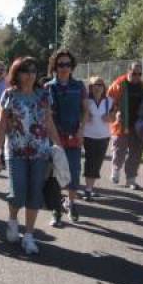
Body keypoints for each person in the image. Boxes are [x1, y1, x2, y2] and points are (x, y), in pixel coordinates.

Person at [0, 57, 62, 254]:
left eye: (33, 71)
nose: (30, 75)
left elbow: (48, 122)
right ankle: (13, 221)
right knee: (17, 192)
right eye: (25, 71)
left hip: (40, 152)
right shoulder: (9, 95)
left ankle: (29, 236)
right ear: (17, 73)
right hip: (15, 152)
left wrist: (59, 146)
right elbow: (1, 125)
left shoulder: (44, 95)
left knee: (35, 194)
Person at [46, 49, 88, 225]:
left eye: (67, 64)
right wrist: (54, 138)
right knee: (55, 174)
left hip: (74, 137)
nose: (64, 68)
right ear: (55, 67)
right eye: (60, 64)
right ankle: (56, 209)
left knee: (73, 172)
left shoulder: (79, 86)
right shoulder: (49, 87)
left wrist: (81, 131)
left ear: (72, 67)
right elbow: (46, 115)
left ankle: (71, 203)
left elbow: (85, 110)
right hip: (55, 138)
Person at [107, 62, 143, 190]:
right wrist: (115, 111)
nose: (137, 76)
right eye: (134, 73)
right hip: (121, 124)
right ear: (128, 71)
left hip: (138, 125)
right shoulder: (119, 84)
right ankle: (116, 169)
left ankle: (131, 179)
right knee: (119, 150)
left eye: (139, 74)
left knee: (136, 153)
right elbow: (109, 101)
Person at [82, 76, 114, 201]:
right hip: (88, 135)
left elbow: (115, 116)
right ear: (90, 87)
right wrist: (84, 116)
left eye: (100, 84)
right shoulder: (86, 101)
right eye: (95, 84)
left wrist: (111, 118)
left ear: (104, 87)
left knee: (98, 162)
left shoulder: (109, 101)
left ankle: (89, 188)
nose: (98, 87)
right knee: (90, 161)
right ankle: (88, 189)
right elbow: (80, 114)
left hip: (104, 136)